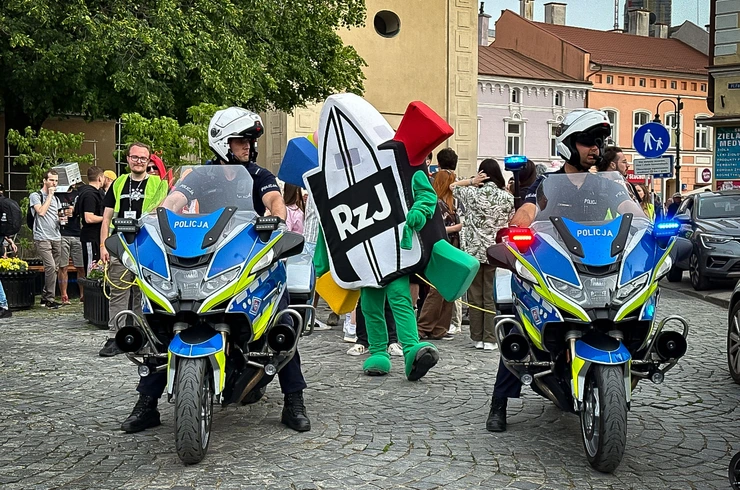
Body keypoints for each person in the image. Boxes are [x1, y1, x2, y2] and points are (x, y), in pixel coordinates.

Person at [121, 107, 310, 434]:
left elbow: (275, 201)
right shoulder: (199, 176)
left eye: (249, 141)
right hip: (207, 255)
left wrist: (277, 220)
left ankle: (294, 400)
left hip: (247, 253)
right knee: (160, 318)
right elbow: (174, 202)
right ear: (223, 142)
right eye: (241, 140)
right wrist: (153, 220)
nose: (247, 146)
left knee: (279, 318)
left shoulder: (258, 175)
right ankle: (147, 403)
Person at [490, 108, 641, 433]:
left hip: (600, 264)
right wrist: (517, 226)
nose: (595, 149)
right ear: (569, 144)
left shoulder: (606, 185)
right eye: (588, 142)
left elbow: (629, 207)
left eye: (599, 142)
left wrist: (647, 225)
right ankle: (499, 403)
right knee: (521, 324)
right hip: (557, 265)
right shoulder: (547, 182)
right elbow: (530, 207)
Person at [99, 143, 165, 357]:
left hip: (147, 247)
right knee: (118, 291)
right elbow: (107, 217)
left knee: (143, 295)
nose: (139, 161)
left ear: (149, 161)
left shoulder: (158, 183)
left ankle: (141, 336)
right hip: (120, 245)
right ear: (127, 159)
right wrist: (103, 245)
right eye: (135, 157)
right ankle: (114, 336)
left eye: (143, 158)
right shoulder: (118, 183)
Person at [451, 159, 514, 351]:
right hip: (496, 252)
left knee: (475, 295)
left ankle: (477, 337)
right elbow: (511, 220)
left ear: (481, 174)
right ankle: (490, 337)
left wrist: (471, 181)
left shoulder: (471, 193)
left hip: (473, 252)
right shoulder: (507, 197)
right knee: (491, 295)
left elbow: (452, 186)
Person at [416, 168, 461, 340]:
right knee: (437, 290)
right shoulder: (435, 203)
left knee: (450, 289)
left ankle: (439, 328)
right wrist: (457, 228)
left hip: (453, 248)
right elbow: (435, 228)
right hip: (441, 248)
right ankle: (424, 326)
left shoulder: (452, 203)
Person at [29, 169, 62, 309]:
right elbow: (41, 212)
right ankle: (50, 299)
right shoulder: (36, 196)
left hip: (56, 236)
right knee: (50, 267)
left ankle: (44, 296)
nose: (54, 183)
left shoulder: (57, 199)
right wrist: (49, 196)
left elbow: (57, 217)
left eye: (56, 180)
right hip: (42, 237)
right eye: (51, 180)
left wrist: (63, 218)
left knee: (55, 268)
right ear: (44, 181)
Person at [57, 183, 85, 305]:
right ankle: (64, 295)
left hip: (77, 233)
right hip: (62, 233)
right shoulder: (57, 194)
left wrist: (75, 209)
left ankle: (83, 295)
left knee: (81, 266)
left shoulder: (78, 193)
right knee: (63, 266)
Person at [77, 167, 106, 275]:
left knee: (98, 266)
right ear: (100, 178)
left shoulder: (93, 193)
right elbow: (88, 218)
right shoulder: (90, 194)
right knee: (91, 267)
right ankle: (90, 289)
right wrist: (106, 218)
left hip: (97, 236)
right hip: (91, 236)